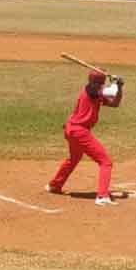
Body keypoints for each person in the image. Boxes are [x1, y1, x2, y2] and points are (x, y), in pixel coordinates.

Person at [46, 70, 124, 206]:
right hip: (79, 131)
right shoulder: (90, 90)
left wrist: (120, 87)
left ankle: (55, 185)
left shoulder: (96, 92)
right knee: (105, 162)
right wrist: (116, 83)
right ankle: (102, 196)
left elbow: (115, 103)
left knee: (74, 158)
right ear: (98, 82)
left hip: (72, 130)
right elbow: (110, 91)